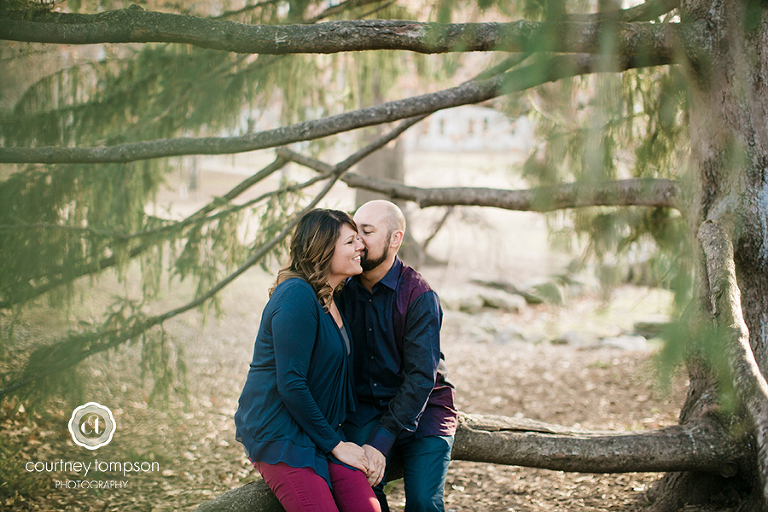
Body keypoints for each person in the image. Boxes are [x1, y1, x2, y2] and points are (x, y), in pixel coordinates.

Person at [234, 208, 381, 512]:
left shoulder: (330, 296)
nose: (361, 247)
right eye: (351, 242)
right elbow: (291, 384)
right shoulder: (296, 296)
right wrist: (337, 446)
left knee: (368, 508)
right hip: (281, 434)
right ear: (324, 250)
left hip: (321, 431)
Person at [337, 200, 458, 512]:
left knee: (423, 502)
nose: (358, 241)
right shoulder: (343, 289)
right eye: (355, 231)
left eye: (367, 231)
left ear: (395, 239)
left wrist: (381, 441)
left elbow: (421, 378)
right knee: (359, 490)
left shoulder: (419, 296)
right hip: (365, 408)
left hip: (425, 407)